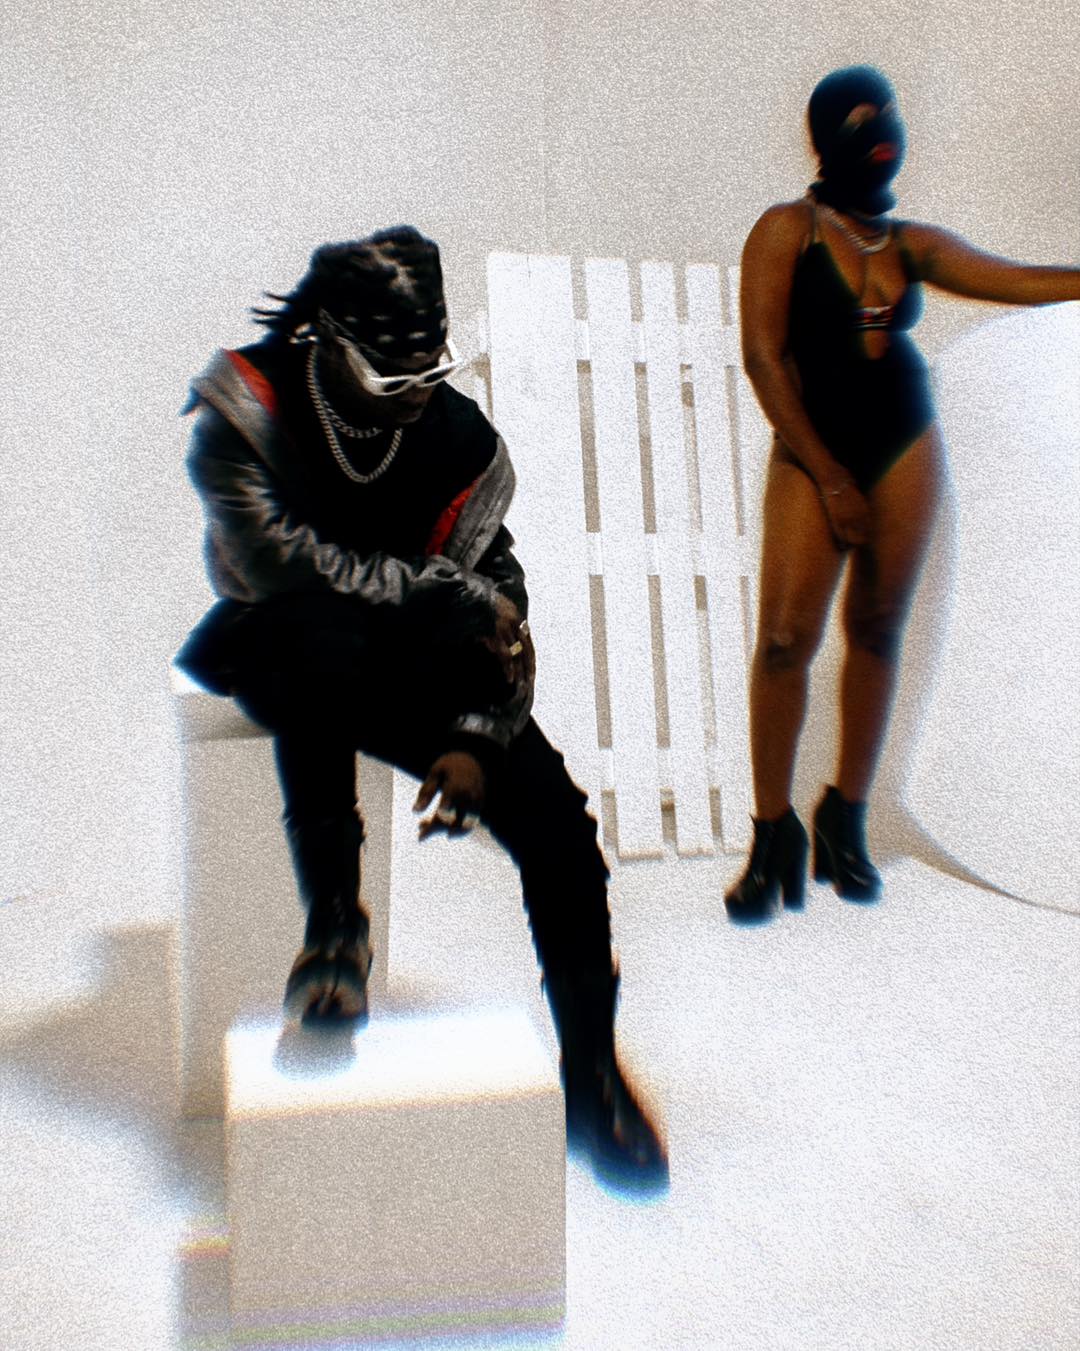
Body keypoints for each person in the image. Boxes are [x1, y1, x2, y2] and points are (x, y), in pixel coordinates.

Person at [176, 226, 667, 1187]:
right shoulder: (247, 405)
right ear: (330, 341)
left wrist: (477, 737)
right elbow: (272, 563)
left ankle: (592, 1069)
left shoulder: (458, 438)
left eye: (432, 367)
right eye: (393, 374)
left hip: (406, 655)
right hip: (281, 640)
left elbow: (500, 600)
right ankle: (334, 929)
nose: (418, 391)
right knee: (313, 635)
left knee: (558, 824)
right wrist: (440, 592)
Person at [727, 66, 1080, 920]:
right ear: (825, 140)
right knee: (784, 639)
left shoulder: (909, 243)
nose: (881, 138)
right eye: (860, 125)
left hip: (903, 436)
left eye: (887, 121)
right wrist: (830, 476)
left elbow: (1018, 278)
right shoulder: (786, 229)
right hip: (813, 447)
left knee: (879, 627)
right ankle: (773, 833)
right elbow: (764, 359)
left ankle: (844, 815)